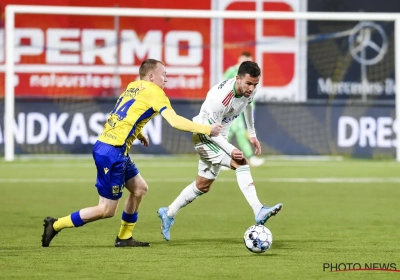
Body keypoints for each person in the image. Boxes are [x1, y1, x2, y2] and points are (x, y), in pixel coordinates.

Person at [41, 59, 222, 248]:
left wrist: (138, 133)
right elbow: (174, 121)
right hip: (113, 152)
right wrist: (207, 129)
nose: (166, 79)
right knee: (106, 209)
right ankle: (55, 224)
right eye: (164, 74)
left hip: (112, 147)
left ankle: (124, 237)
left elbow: (123, 114)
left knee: (139, 189)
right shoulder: (157, 93)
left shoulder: (133, 86)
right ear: (151, 76)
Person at [157, 61, 282, 241]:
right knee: (241, 163)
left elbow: (248, 105)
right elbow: (210, 132)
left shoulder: (248, 90)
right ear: (238, 79)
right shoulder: (220, 99)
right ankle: (258, 210)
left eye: (255, 84)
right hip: (204, 136)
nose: (252, 88)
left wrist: (252, 134)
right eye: (248, 84)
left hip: (219, 137)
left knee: (202, 186)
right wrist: (231, 150)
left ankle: (168, 213)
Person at [223, 51, 264, 168]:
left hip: (241, 109)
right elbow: (222, 86)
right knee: (239, 131)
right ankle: (250, 157)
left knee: (229, 132)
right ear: (240, 59)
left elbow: (250, 98)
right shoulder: (231, 71)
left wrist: (253, 109)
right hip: (229, 107)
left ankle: (218, 157)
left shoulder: (251, 77)